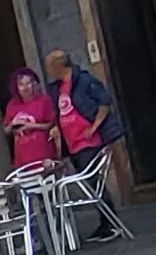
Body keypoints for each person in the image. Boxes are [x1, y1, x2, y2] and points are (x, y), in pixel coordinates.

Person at [49, 48, 129, 241]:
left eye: (50, 65)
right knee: (90, 186)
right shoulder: (58, 88)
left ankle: (112, 223)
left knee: (95, 184)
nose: (49, 70)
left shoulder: (82, 80)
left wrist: (94, 127)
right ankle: (105, 222)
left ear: (59, 65)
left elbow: (104, 102)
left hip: (88, 142)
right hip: (72, 143)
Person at [6, 67, 62, 169]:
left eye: (28, 83)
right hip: (22, 156)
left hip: (43, 152)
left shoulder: (44, 100)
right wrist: (12, 123)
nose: (25, 87)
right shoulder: (12, 105)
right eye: (21, 85)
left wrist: (31, 126)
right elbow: (6, 130)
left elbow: (50, 124)